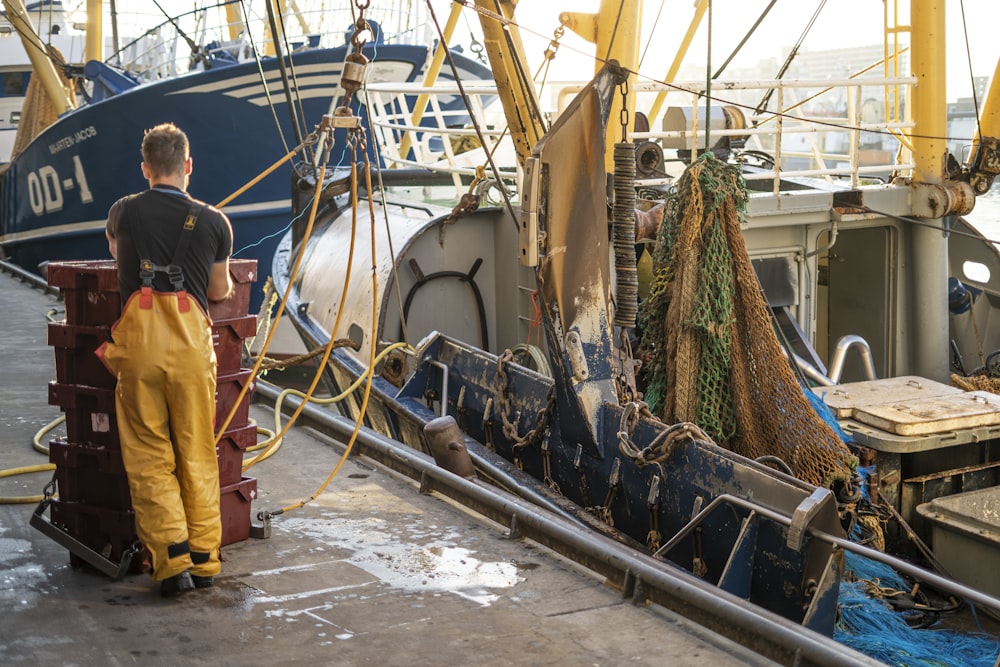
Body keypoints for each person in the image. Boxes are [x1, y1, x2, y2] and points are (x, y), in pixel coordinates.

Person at [98, 122, 234, 597]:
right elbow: (219, 291)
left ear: (145, 168)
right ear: (188, 166)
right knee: (196, 451)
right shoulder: (214, 221)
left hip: (138, 350)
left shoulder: (123, 211)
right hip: (191, 353)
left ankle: (171, 562)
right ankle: (204, 560)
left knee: (149, 456)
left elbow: (117, 255)